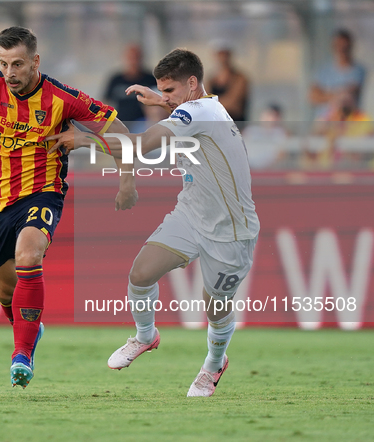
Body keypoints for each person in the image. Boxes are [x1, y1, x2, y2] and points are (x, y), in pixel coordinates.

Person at [0, 26, 137, 389]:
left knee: (29, 253)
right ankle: (30, 330)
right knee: (5, 292)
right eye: (4, 64)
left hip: (43, 192)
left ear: (35, 62)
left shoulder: (63, 98)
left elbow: (120, 133)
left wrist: (122, 175)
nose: (10, 73)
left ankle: (20, 355)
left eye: (18, 64)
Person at [47, 48, 260, 397]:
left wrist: (84, 140)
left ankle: (214, 362)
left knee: (215, 304)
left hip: (231, 230)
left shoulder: (196, 112)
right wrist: (165, 101)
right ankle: (146, 337)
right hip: (192, 213)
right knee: (141, 274)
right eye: (163, 91)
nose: (166, 98)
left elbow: (139, 147)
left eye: (171, 91)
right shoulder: (206, 105)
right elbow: (190, 112)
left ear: (192, 83)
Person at [310, 29, 367, 120]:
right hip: (326, 122)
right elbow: (313, 97)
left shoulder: (358, 70)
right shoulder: (324, 70)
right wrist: (337, 95)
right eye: (338, 46)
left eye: (344, 46)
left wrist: (326, 94)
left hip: (349, 122)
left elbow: (349, 95)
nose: (341, 50)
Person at [103, 44, 159, 131]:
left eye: (136, 57)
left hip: (142, 122)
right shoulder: (116, 79)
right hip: (120, 121)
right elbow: (106, 102)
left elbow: (158, 103)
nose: (133, 61)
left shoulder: (150, 79)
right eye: (131, 57)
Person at [207, 40, 249, 122]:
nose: (222, 58)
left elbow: (234, 104)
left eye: (225, 54)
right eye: (220, 54)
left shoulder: (240, 79)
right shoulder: (211, 80)